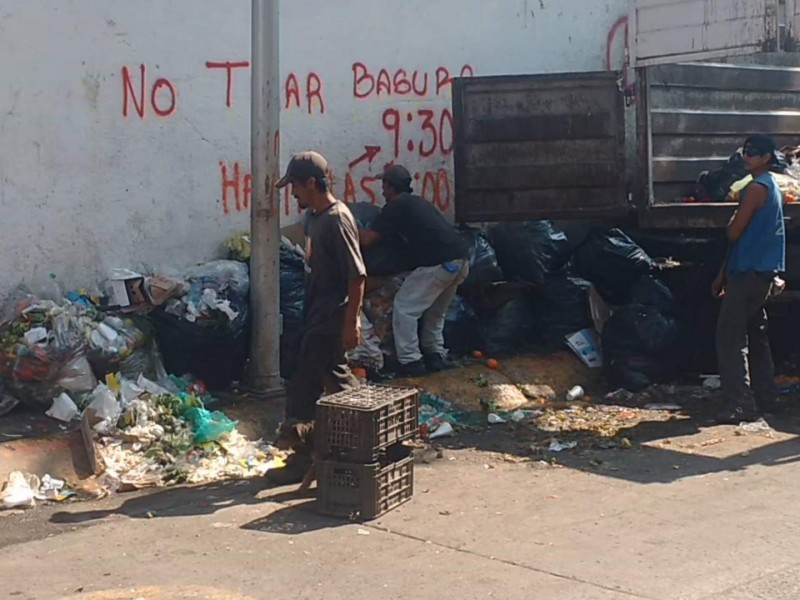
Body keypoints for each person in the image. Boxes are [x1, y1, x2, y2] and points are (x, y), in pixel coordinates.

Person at [269, 151, 366, 484]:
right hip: (315, 314)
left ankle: (301, 456)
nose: (291, 193)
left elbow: (357, 276)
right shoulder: (313, 217)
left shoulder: (337, 220)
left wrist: (352, 321)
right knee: (337, 383)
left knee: (303, 387)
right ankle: (369, 435)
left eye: (294, 186)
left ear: (311, 183)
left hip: (331, 317)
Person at [360, 165, 469, 377]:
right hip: (461, 259)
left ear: (390, 186)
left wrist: (343, 227)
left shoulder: (395, 206)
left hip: (439, 263)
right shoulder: (417, 202)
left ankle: (411, 361)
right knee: (436, 311)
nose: (382, 191)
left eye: (384, 185)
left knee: (405, 308)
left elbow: (369, 238)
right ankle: (434, 354)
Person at [712, 135, 786, 424]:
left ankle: (740, 403)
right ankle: (767, 396)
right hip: (759, 274)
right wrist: (722, 274)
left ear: (766, 157)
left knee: (730, 339)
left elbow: (733, 233)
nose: (747, 157)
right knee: (756, 334)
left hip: (748, 275)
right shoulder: (772, 187)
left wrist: (732, 218)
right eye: (746, 151)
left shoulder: (756, 189)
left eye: (753, 153)